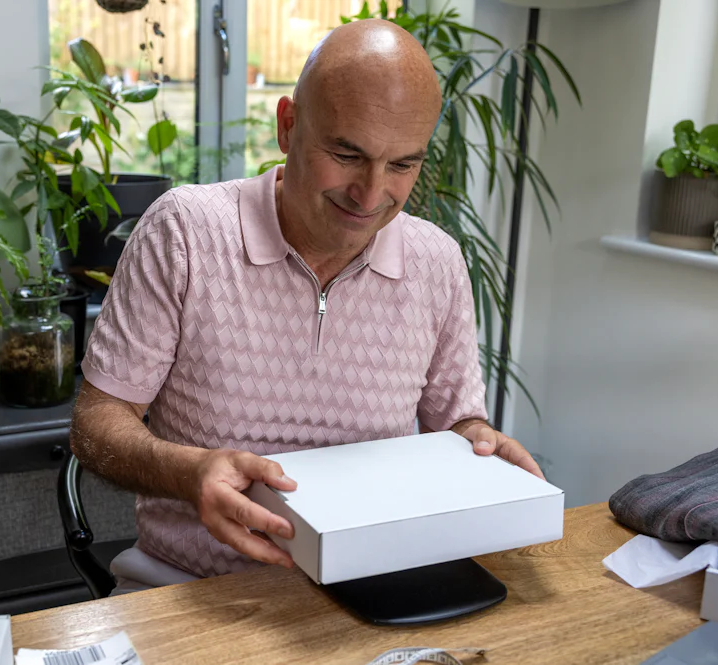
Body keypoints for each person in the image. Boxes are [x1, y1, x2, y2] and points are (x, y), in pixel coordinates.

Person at [70, 18, 544, 594]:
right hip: (188, 589)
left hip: (373, 589)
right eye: (347, 154)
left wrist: (482, 445)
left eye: (402, 165)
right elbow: (95, 425)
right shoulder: (186, 234)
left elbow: (458, 427)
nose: (371, 195)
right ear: (288, 126)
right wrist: (189, 472)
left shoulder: (437, 263)